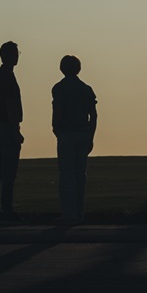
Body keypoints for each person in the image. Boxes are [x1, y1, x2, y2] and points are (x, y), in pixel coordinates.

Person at [50, 54, 97, 225]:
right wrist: (91, 136)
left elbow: (58, 110)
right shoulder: (86, 89)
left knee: (66, 174)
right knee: (80, 174)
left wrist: (56, 128)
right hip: (83, 133)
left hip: (66, 134)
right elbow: (94, 115)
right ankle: (79, 212)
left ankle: (69, 213)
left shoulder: (59, 88)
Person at [0, 41, 23, 222]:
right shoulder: (7, 77)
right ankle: (7, 210)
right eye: (15, 53)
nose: (17, 56)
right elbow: (10, 104)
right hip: (7, 127)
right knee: (8, 172)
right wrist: (16, 130)